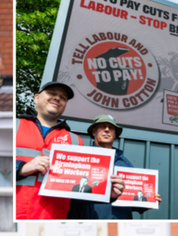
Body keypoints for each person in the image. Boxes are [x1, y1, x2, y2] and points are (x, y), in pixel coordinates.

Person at [15, 81, 83, 220]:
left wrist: (107, 192)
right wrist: (21, 168)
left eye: (63, 98)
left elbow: (78, 189)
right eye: (51, 93)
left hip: (50, 219)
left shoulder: (75, 141)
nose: (57, 98)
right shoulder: (12, 126)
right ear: (36, 98)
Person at [74, 114, 162, 221]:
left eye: (111, 128)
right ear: (94, 132)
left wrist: (146, 204)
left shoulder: (125, 163)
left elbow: (129, 198)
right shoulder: (82, 158)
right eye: (102, 127)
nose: (107, 130)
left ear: (115, 135)